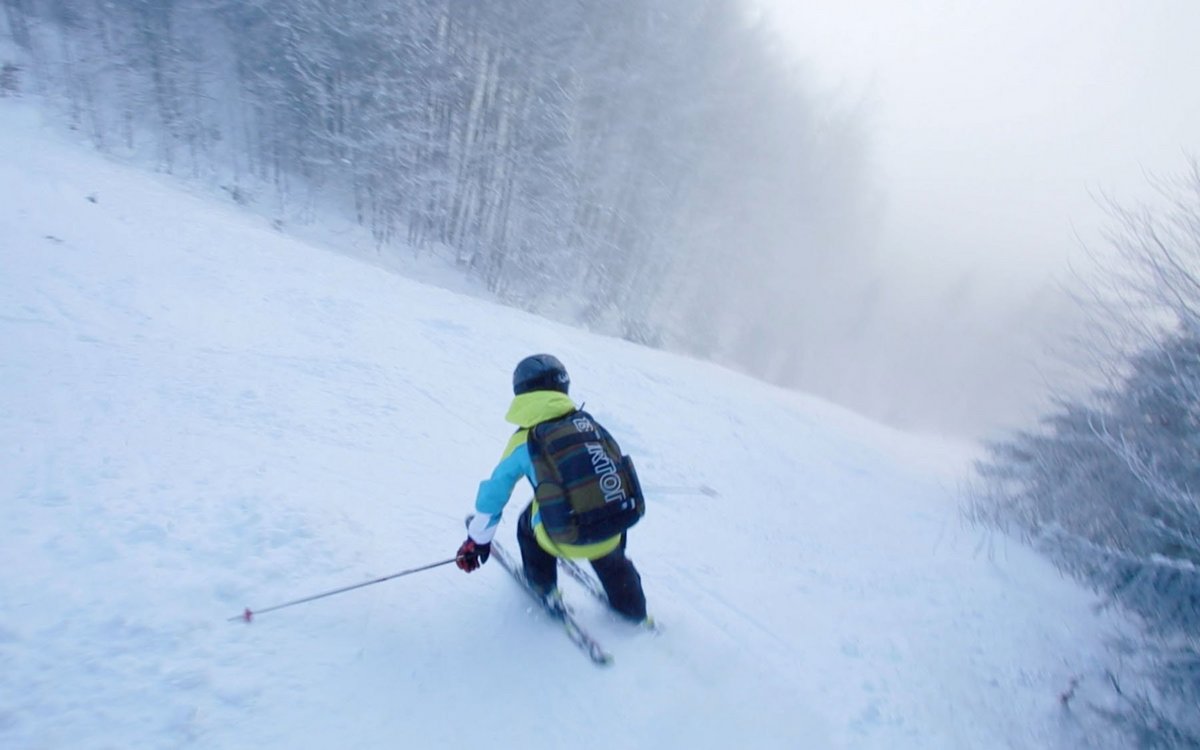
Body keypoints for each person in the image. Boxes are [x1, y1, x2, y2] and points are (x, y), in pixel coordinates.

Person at [455, 354, 647, 622]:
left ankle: (544, 588)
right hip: (613, 531)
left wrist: (477, 542)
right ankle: (633, 608)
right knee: (600, 508)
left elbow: (494, 495)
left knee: (527, 523)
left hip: (563, 537)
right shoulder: (589, 424)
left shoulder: (525, 439)